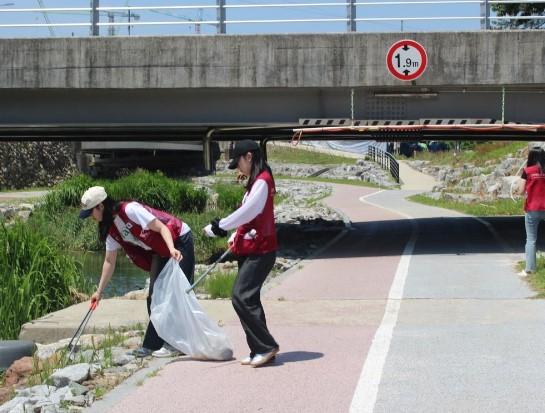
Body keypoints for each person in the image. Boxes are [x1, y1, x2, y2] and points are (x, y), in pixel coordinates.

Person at [79, 186, 195, 357]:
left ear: (101, 206)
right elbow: (109, 261)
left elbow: (162, 228)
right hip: (159, 249)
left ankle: (176, 343)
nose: (91, 217)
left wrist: (172, 249)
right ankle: (155, 345)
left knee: (176, 294)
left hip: (178, 239)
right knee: (154, 296)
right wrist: (99, 291)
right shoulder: (111, 230)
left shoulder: (130, 210)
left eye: (91, 213)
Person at [203, 139, 279, 368]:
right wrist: (236, 234)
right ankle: (259, 349)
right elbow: (250, 217)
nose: (238, 168)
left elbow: (247, 212)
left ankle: (266, 346)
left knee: (240, 296)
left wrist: (220, 226)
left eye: (238, 163)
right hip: (252, 248)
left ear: (249, 157)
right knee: (250, 299)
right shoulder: (256, 182)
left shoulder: (263, 181)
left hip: (262, 250)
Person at [518, 146, 545, 277]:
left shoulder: (527, 171)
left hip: (532, 209)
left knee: (531, 239)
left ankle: (530, 269)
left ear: (531, 157)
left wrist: (518, 189)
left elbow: (521, 190)